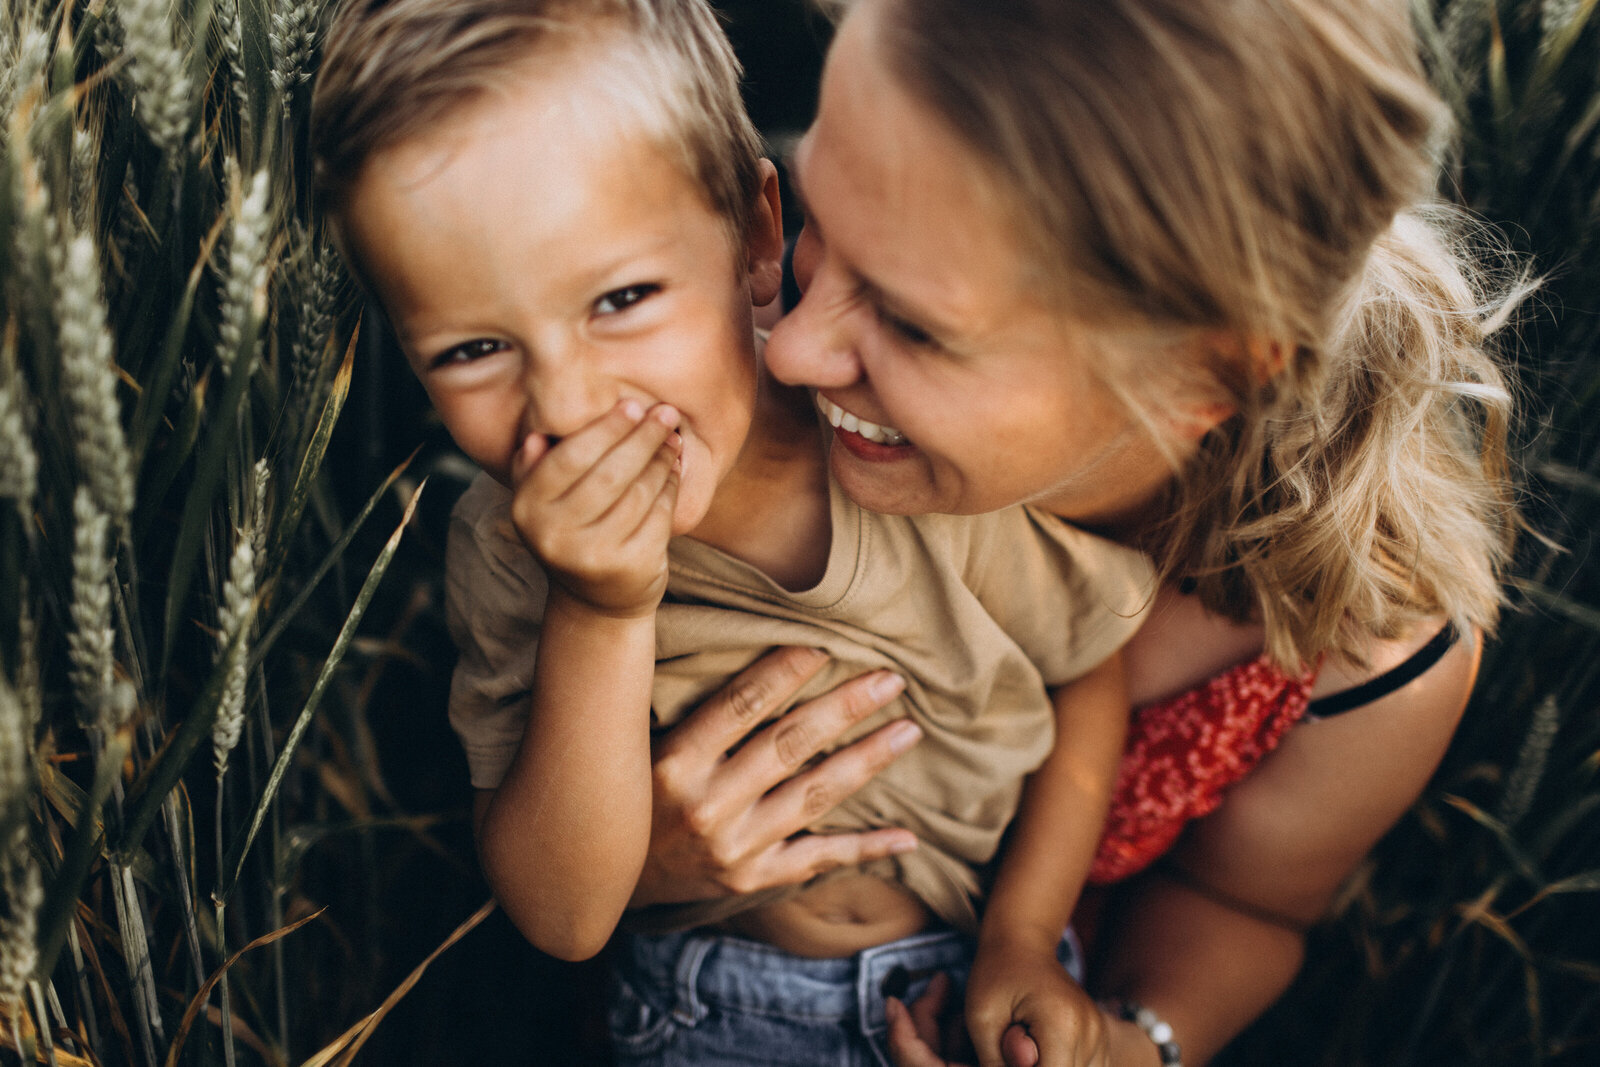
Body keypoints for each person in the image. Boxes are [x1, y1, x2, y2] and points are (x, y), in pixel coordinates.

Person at [629, 0, 1524, 1064]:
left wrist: (1129, 1043)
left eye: (915, 324)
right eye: (823, 210)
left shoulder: (1363, 641)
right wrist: (646, 863)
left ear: (1212, 371)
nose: (791, 351)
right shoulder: (707, 386)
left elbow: (1244, 910)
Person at [310, 1, 1162, 1062]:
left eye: (620, 297)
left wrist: (1028, 935)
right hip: (710, 1015)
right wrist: (603, 605)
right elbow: (566, 915)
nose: (568, 402)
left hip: (975, 987)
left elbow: (1084, 670)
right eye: (473, 348)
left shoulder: (892, 451)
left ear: (760, 237)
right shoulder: (510, 548)